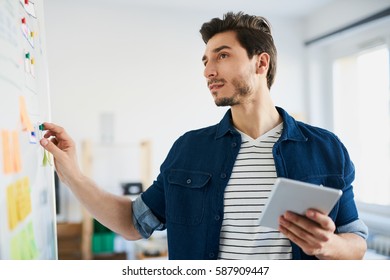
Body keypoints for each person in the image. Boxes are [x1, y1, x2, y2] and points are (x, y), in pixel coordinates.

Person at [40, 12, 368, 260]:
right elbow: (132, 223)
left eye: (222, 56)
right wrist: (72, 175)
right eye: (206, 61)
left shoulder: (326, 149)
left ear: (261, 63)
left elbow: (356, 242)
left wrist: (331, 245)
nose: (208, 71)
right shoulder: (189, 149)